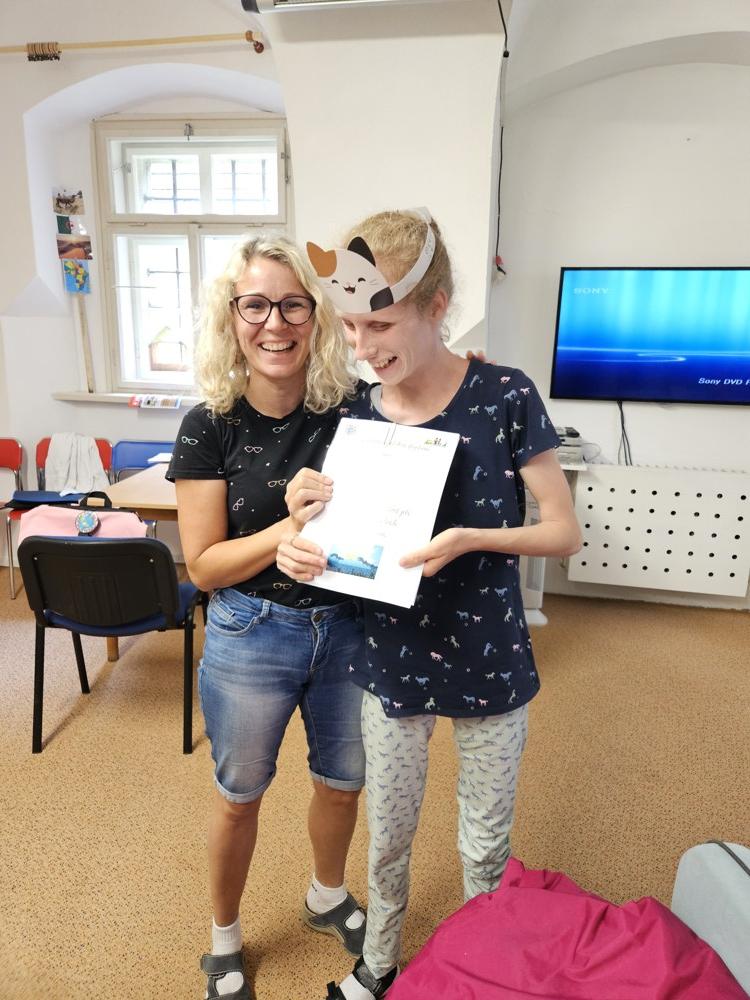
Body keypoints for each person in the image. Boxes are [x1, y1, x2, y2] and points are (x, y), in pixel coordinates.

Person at [276, 209, 582, 1000]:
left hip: (489, 660)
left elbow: (563, 531)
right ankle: (379, 961)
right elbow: (340, 542)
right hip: (393, 658)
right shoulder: (355, 410)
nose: (362, 346)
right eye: (350, 325)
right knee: (388, 837)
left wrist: (474, 539)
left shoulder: (504, 395)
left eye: (380, 324)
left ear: (437, 306)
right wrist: (300, 530)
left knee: (484, 847)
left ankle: (482, 970)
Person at [167, 234, 370, 1000]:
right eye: (255, 305)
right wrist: (286, 530)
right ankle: (224, 937)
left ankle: (326, 894)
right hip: (251, 634)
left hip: (348, 630)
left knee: (343, 784)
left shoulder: (354, 412)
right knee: (239, 796)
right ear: (232, 317)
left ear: (317, 316)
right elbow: (204, 566)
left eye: (292, 305)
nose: (275, 323)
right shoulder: (209, 424)